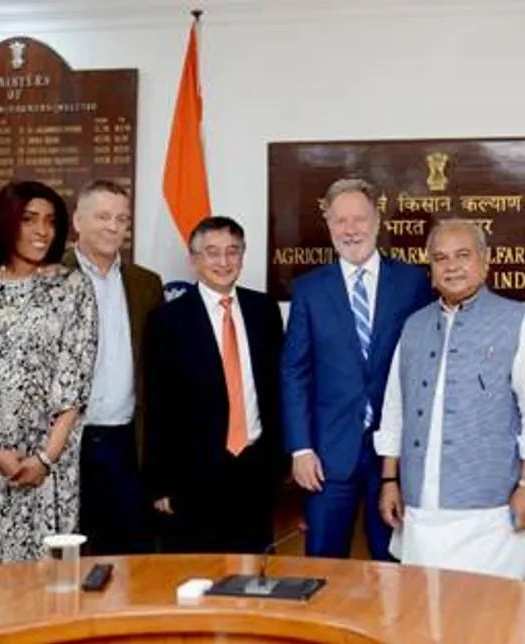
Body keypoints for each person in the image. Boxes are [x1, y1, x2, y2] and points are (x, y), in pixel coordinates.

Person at [375, 219, 525, 580]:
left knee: (491, 619)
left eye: (463, 255)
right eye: (440, 258)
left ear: (485, 262)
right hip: (422, 504)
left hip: (491, 510)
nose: (452, 266)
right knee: (424, 617)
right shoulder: (414, 326)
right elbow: (395, 408)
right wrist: (389, 481)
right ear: (431, 270)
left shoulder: (514, 320)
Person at [0, 180, 98, 568]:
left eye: (49, 221)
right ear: (6, 222)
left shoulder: (71, 288)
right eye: (29, 219)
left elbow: (75, 383)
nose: (42, 231)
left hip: (50, 466)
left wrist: (44, 459)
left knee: (46, 588)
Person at [281, 178, 433, 560]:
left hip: (395, 457)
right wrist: (300, 449)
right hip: (328, 457)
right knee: (324, 565)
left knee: (393, 564)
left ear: (377, 221)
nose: (350, 230)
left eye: (359, 219)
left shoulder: (414, 283)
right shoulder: (309, 290)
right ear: (329, 226)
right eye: (340, 221)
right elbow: (294, 372)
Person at [144, 216, 285, 554]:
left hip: (254, 470)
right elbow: (159, 406)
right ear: (194, 259)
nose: (223, 262)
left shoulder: (264, 310)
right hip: (193, 477)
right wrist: (160, 483)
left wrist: (279, 463)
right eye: (212, 253)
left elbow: (275, 390)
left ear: (242, 256)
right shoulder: (167, 320)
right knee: (196, 582)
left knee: (253, 580)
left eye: (232, 252)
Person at [63, 179, 164, 555]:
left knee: (128, 552)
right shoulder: (52, 276)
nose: (113, 227)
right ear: (78, 220)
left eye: (121, 219)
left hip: (125, 440)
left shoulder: (146, 284)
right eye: (103, 216)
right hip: (66, 441)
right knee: (68, 552)